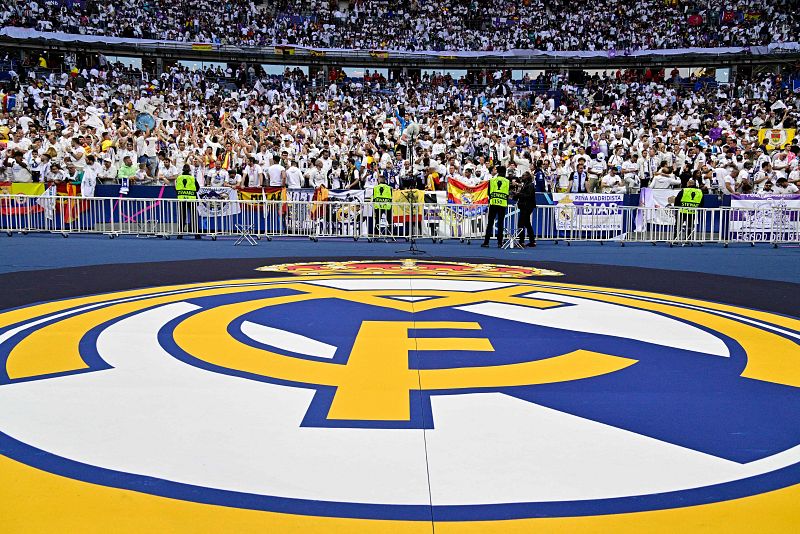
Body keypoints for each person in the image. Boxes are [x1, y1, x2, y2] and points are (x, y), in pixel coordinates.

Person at [482, 166, 509, 248]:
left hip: (493, 203)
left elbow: (488, 193)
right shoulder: (507, 181)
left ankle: (486, 242)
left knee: (490, 223)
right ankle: (500, 242)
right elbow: (507, 193)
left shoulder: (492, 180)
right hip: (502, 204)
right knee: (500, 223)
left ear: (498, 172)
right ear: (504, 172)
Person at [174, 164, 200, 239]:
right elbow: (197, 188)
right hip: (191, 200)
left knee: (182, 217)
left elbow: (176, 188)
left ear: (182, 170)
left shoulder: (179, 178)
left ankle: (180, 234)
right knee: (194, 217)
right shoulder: (192, 178)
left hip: (182, 199)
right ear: (189, 170)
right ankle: (196, 234)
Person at [515, 171, 537, 247]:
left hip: (527, 207)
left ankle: (521, 241)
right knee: (527, 223)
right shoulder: (525, 185)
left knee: (521, 224)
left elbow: (528, 196)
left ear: (527, 177)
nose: (522, 177)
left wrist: (518, 194)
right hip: (525, 206)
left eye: (523, 176)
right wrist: (516, 195)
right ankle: (532, 241)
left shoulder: (530, 185)